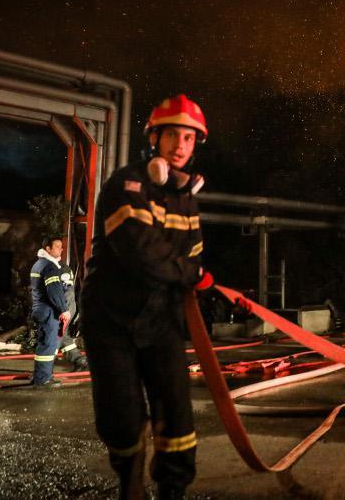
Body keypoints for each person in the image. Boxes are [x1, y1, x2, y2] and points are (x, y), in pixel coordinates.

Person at [81, 94, 211, 500]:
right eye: (173, 135)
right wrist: (195, 275)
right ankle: (130, 484)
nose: (181, 146)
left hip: (162, 321)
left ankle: (173, 491)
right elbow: (142, 253)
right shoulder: (126, 184)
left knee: (177, 414)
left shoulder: (186, 197)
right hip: (113, 320)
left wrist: (194, 275)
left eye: (189, 139)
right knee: (122, 414)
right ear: (154, 138)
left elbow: (192, 252)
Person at [27, 236, 72, 388]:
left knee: (43, 344)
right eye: (58, 246)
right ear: (48, 249)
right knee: (49, 345)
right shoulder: (50, 267)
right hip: (49, 311)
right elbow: (54, 291)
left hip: (39, 308)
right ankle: (44, 379)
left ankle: (40, 376)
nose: (61, 249)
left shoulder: (37, 265)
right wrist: (64, 310)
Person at [58, 256, 89, 371]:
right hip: (65, 307)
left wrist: (62, 310)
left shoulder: (58, 268)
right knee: (63, 336)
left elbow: (62, 291)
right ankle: (79, 360)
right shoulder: (59, 267)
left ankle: (43, 371)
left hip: (63, 308)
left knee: (53, 338)